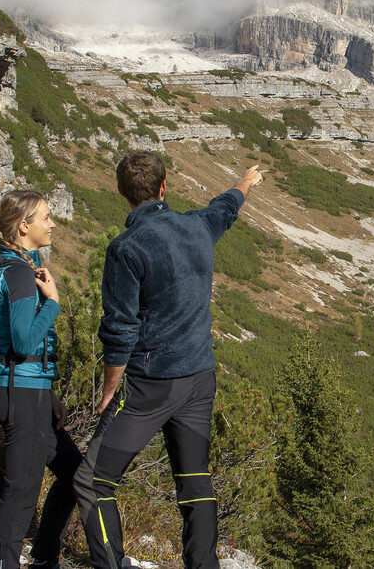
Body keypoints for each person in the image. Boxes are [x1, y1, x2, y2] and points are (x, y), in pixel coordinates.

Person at [74, 152, 263, 569]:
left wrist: (110, 391)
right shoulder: (197, 227)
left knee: (93, 481)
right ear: (164, 187)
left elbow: (119, 327)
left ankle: (110, 563)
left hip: (152, 384)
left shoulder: (126, 248)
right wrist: (245, 182)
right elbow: (224, 208)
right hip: (199, 377)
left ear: (123, 193)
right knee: (195, 483)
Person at [0, 190, 82, 569]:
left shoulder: (16, 267)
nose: (53, 223)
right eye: (45, 217)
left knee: (74, 472)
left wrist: (49, 393)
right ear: (24, 227)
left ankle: (43, 558)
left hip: (30, 390)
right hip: (18, 391)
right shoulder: (19, 274)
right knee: (21, 495)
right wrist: (54, 304)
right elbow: (25, 340)